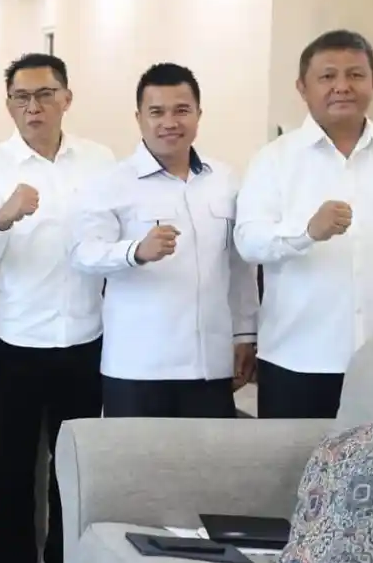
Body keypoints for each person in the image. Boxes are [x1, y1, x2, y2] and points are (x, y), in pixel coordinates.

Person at [0, 54, 115, 563]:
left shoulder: (100, 161)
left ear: (66, 99)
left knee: (71, 460)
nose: (34, 107)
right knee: (13, 461)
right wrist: (1, 218)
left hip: (85, 332)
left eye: (45, 94)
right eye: (22, 97)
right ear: (9, 105)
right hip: (16, 336)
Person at [235, 30, 373, 419]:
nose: (342, 86)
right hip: (295, 358)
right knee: (289, 458)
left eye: (355, 74)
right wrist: (306, 232)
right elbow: (249, 241)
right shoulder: (273, 160)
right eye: (327, 76)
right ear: (302, 87)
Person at [70, 63, 259, 419]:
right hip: (138, 367)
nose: (170, 122)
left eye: (181, 110)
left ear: (199, 114)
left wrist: (245, 334)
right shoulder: (111, 183)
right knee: (135, 457)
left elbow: (239, 266)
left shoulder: (225, 180)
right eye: (157, 112)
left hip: (210, 365)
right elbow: (83, 253)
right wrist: (135, 251)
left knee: (211, 457)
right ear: (139, 118)